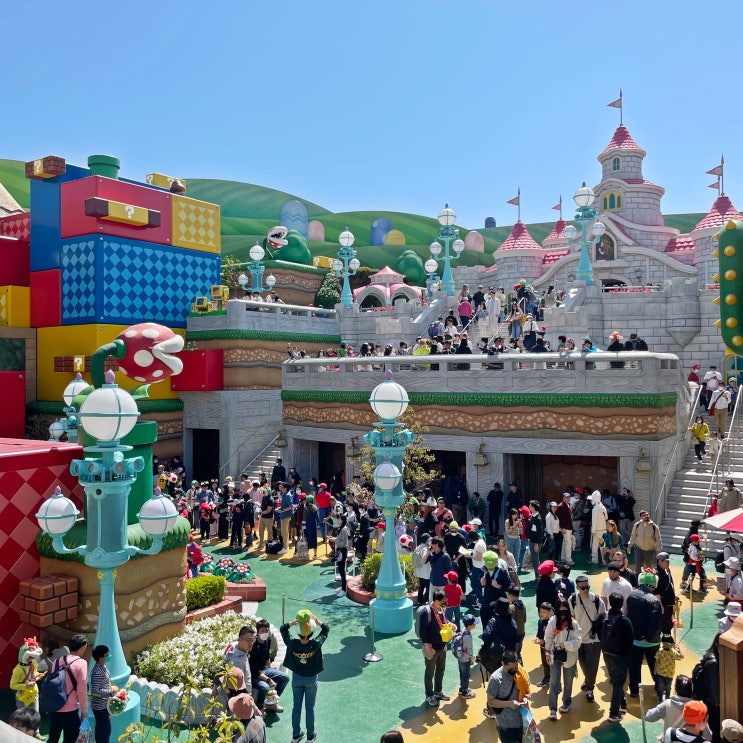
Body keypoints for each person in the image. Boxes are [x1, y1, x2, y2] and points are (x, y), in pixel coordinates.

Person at [280, 610, 329, 743]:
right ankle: (310, 736)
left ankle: (296, 735)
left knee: (296, 707)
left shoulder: (292, 643)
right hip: (311, 679)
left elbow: (283, 629)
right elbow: (326, 629)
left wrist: (292, 623)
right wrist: (316, 620)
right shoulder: (316, 643)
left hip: (297, 678)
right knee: (309, 709)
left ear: (298, 631)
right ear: (312, 631)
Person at [569, 574, 606, 703]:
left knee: (592, 666)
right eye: (583, 588)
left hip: (594, 640)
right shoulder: (572, 600)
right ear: (577, 588)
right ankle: (588, 679)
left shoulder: (596, 600)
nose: (586, 590)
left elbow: (603, 618)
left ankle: (590, 689)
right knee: (583, 664)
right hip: (579, 640)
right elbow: (570, 617)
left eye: (587, 587)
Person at [544, 597, 582, 720]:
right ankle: (553, 709)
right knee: (554, 682)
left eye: (564, 609)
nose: (562, 612)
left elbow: (578, 641)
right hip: (555, 654)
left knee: (568, 682)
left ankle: (566, 703)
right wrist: (547, 653)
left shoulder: (573, 623)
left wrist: (565, 644)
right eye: (560, 609)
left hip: (569, 656)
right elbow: (548, 637)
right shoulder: (553, 621)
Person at [626, 570, 662, 701]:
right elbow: (654, 622)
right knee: (655, 665)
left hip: (634, 639)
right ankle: (659, 689)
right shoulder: (654, 601)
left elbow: (628, 615)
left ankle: (634, 690)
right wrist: (647, 636)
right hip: (651, 641)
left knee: (634, 666)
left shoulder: (631, 595)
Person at [47, 634, 89, 743]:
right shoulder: (82, 663)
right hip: (70, 710)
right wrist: (84, 711)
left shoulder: (57, 661)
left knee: (53, 738)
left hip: (55, 707)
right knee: (70, 739)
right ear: (83, 647)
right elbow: (82, 690)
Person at [601, 591, 635, 722]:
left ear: (610, 602)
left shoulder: (603, 617)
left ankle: (622, 703)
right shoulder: (625, 620)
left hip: (606, 654)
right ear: (622, 604)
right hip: (620, 656)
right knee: (618, 683)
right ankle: (613, 713)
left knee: (616, 680)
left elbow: (598, 631)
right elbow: (630, 640)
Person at [419, 589, 455, 707]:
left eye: (446, 602)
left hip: (442, 646)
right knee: (429, 672)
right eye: (443, 602)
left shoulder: (441, 610)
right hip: (432, 648)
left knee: (440, 670)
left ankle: (438, 691)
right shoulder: (427, 612)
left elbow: (444, 622)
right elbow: (423, 631)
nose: (445, 604)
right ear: (436, 600)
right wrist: (427, 648)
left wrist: (450, 624)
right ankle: (429, 695)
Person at [485, 650, 529, 742]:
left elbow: (526, 690)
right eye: (511, 668)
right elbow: (490, 701)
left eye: (515, 667)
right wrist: (509, 704)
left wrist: (526, 697)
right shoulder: (495, 679)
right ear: (503, 663)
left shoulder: (521, 672)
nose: (514, 670)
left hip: (523, 721)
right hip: (506, 725)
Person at [249, 619, 289, 713]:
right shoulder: (253, 646)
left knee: (285, 678)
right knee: (265, 687)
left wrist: (270, 667)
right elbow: (254, 670)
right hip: (253, 674)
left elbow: (267, 656)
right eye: (262, 631)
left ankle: (271, 703)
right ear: (257, 632)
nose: (265, 633)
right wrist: (268, 679)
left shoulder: (268, 640)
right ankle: (259, 710)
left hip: (264, 670)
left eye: (266, 631)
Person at [645, 675, 698, 740]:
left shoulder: (667, 704)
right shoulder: (696, 708)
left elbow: (649, 717)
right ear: (691, 690)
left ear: (676, 689)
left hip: (669, 739)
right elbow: (706, 734)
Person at [10, 638, 44, 712]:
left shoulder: (34, 663)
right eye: (30, 656)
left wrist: (38, 675)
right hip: (23, 697)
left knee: (35, 716)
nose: (32, 658)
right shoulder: (18, 670)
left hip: (34, 694)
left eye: (33, 656)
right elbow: (12, 685)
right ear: (24, 656)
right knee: (23, 717)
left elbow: (33, 674)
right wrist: (26, 686)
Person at [89, 645, 113, 743]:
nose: (109, 656)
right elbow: (95, 691)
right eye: (107, 655)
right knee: (104, 732)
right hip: (100, 708)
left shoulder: (103, 667)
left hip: (104, 705)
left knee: (104, 731)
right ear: (100, 658)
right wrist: (111, 692)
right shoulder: (98, 672)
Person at [224, 625, 256, 690]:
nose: (251, 643)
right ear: (240, 639)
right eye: (248, 640)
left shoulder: (235, 646)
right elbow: (238, 686)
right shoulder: (237, 662)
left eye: (252, 640)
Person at [655, 633, 684, 703]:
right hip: (661, 673)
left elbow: (682, 656)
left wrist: (678, 649)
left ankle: (667, 698)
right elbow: (657, 661)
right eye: (664, 643)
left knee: (668, 688)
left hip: (669, 674)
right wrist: (655, 669)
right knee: (660, 687)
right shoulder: (660, 651)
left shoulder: (673, 652)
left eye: (668, 644)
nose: (665, 645)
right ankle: (660, 697)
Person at [457, 614, 478, 699]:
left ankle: (462, 688)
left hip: (460, 657)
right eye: (474, 624)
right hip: (466, 659)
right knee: (466, 675)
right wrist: (472, 659)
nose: (475, 625)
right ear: (470, 626)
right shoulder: (468, 637)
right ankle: (465, 692)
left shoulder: (463, 630)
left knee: (462, 674)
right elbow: (469, 650)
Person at [526, 500, 544, 580]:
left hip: (535, 542)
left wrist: (537, 544)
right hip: (532, 541)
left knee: (535, 560)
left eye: (530, 506)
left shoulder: (538, 519)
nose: (529, 507)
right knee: (535, 559)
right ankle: (539, 575)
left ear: (533, 507)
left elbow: (539, 533)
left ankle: (538, 577)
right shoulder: (533, 516)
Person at [590, 490, 609, 564]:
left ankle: (594, 560)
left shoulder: (595, 509)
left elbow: (594, 522)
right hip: (604, 529)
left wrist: (593, 531)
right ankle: (604, 561)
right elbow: (606, 517)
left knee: (595, 546)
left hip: (597, 530)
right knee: (603, 546)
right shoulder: (603, 507)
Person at [556, 492, 574, 565]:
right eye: (566, 497)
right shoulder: (560, 506)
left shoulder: (569, 505)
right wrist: (562, 527)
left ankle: (563, 558)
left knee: (565, 543)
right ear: (563, 498)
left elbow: (570, 517)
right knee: (568, 543)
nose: (568, 498)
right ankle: (568, 560)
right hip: (565, 527)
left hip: (569, 527)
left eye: (569, 497)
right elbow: (559, 518)